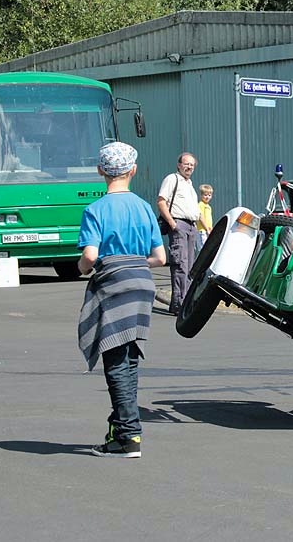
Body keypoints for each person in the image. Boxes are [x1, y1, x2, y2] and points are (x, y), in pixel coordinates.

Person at [78, 142, 166, 458]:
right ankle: (121, 428)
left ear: (101, 170)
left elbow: (89, 256)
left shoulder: (95, 210)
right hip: (142, 285)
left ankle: (129, 434)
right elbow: (160, 257)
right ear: (133, 170)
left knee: (115, 359)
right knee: (128, 357)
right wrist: (136, 263)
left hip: (113, 285)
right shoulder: (144, 207)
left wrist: (83, 267)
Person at [157, 152, 199, 315]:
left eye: (192, 165)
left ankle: (185, 301)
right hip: (179, 224)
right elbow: (161, 201)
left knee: (189, 267)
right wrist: (173, 223)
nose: (189, 167)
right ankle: (179, 304)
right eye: (186, 164)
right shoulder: (172, 179)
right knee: (180, 264)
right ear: (179, 165)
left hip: (191, 227)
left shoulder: (189, 183)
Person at [196, 184, 214, 249]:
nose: (207, 197)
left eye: (209, 195)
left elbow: (209, 219)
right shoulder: (200, 205)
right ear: (201, 195)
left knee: (208, 248)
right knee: (202, 249)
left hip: (207, 230)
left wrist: (210, 228)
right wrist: (206, 229)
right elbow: (201, 217)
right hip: (202, 230)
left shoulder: (209, 207)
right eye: (205, 195)